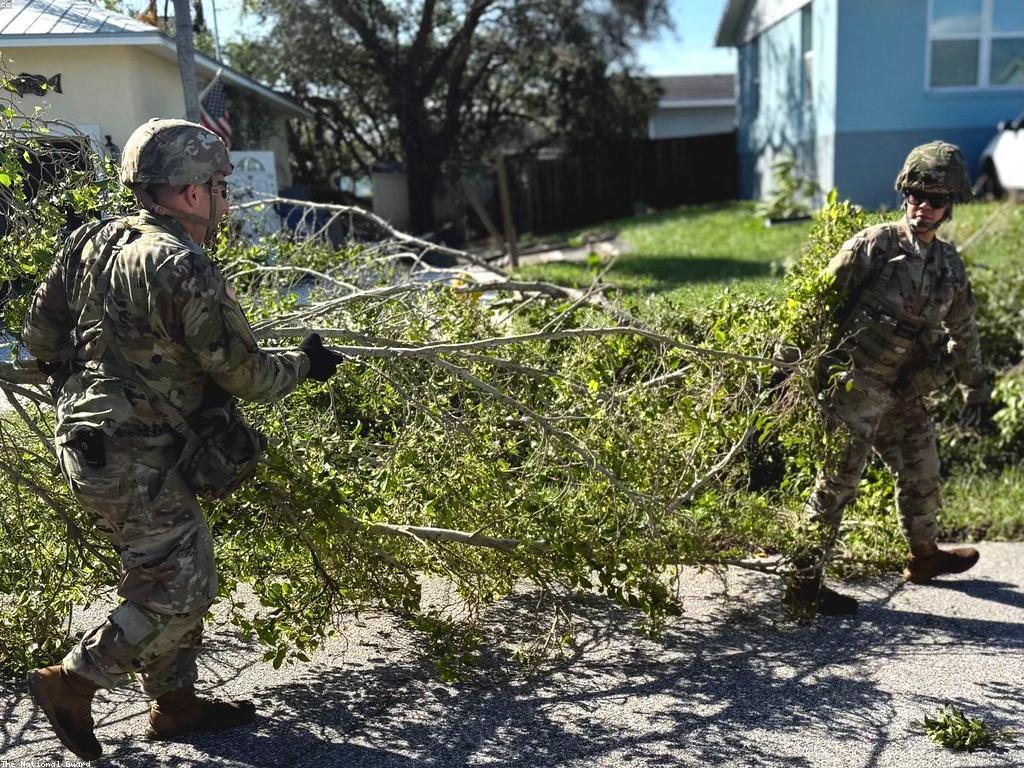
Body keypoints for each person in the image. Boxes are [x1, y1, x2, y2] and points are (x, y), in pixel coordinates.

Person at [22, 118, 342, 761]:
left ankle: (175, 706)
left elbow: (40, 337)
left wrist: (90, 396)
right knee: (181, 584)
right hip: (138, 456)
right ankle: (74, 681)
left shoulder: (89, 240)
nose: (226, 198)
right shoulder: (181, 263)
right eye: (220, 184)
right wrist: (308, 364)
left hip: (91, 445)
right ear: (191, 193)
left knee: (166, 565)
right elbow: (246, 374)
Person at [784, 141, 991, 618]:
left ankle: (924, 558)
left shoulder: (949, 267)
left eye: (936, 200)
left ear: (949, 207)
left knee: (923, 470)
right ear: (904, 194)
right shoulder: (874, 245)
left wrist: (975, 389)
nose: (924, 206)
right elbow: (818, 306)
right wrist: (785, 368)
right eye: (917, 195)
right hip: (854, 384)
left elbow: (965, 331)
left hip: (902, 390)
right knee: (836, 484)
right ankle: (803, 582)